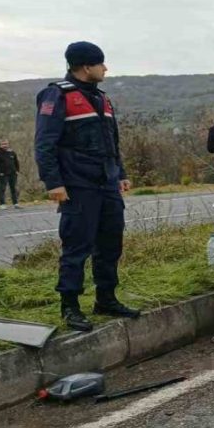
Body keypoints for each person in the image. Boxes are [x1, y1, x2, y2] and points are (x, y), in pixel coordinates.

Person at [34, 41, 140, 331]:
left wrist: (121, 172)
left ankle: (106, 299)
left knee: (110, 243)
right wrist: (53, 183)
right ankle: (70, 306)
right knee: (76, 247)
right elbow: (44, 144)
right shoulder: (56, 95)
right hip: (77, 185)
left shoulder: (102, 98)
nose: (105, 68)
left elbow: (112, 142)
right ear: (85, 66)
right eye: (101, 63)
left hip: (107, 183)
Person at [0, 139, 21, 209]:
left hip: (13, 173)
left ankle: (15, 203)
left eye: (6, 144)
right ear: (0, 145)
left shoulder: (12, 153)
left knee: (13, 188)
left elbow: (16, 162)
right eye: (3, 144)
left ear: (8, 144)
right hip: (3, 174)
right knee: (2, 189)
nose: (5, 145)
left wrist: (17, 170)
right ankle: (2, 204)